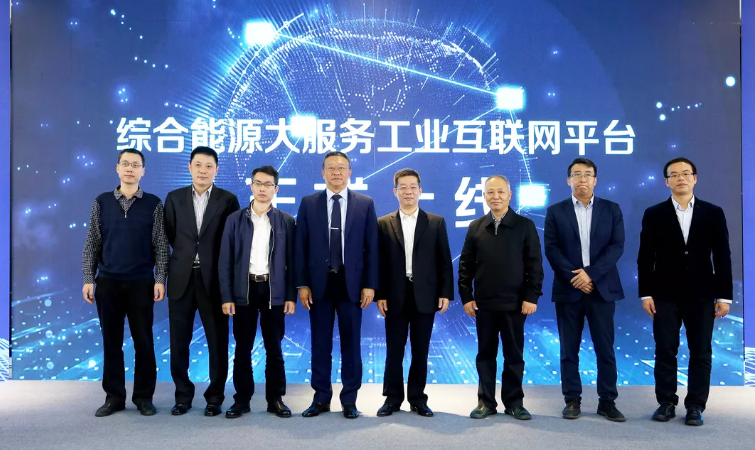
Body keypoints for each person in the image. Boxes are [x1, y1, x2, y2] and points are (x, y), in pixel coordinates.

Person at [638, 157, 732, 427]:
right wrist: (646, 293)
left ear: (695, 178)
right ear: (666, 182)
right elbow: (645, 257)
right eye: (674, 174)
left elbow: (722, 256)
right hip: (664, 294)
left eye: (686, 173)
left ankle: (696, 406)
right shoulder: (654, 213)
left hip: (702, 294)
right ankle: (666, 402)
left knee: (701, 351)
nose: (681, 178)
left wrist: (724, 296)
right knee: (665, 349)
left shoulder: (713, 212)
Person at [81, 148, 169, 417]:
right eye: (126, 164)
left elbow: (161, 245)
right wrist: (88, 278)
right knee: (111, 342)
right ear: (117, 168)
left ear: (143, 171)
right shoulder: (102, 202)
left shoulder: (153, 204)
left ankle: (144, 397)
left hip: (141, 282)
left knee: (144, 342)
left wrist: (160, 278)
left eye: (136, 165)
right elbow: (92, 243)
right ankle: (114, 397)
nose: (130, 169)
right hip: (108, 282)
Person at [294, 151, 379, 419]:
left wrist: (370, 285)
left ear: (350, 172)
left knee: (351, 345)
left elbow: (372, 248)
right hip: (318, 285)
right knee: (320, 344)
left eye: (341, 168)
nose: (336, 173)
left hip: (351, 285)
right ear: (323, 173)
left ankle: (349, 399)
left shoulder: (365, 203)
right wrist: (302, 284)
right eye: (331, 168)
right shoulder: (309, 203)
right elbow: (300, 246)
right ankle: (320, 398)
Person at [544, 158, 626, 422]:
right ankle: (572, 400)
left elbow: (616, 247)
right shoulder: (555, 211)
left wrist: (590, 274)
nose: (582, 179)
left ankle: (607, 401)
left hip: (602, 290)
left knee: (605, 349)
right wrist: (576, 277)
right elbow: (552, 249)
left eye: (587, 174)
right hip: (569, 290)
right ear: (568, 180)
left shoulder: (611, 209)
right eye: (576, 174)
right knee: (569, 350)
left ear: (595, 180)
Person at [458, 175, 543, 420]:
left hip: (515, 304)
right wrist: (466, 297)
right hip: (483, 304)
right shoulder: (476, 227)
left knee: (514, 355)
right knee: (485, 355)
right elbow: (465, 266)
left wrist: (531, 297)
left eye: (501, 192)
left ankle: (514, 403)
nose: (495, 196)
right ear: (484, 195)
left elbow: (535, 265)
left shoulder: (525, 226)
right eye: (490, 192)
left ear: (509, 195)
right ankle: (485, 402)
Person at [163, 146, 240, 417]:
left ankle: (215, 398)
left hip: (214, 281)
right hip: (181, 279)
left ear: (216, 170)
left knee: (217, 343)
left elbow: (231, 241)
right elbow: (171, 235)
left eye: (209, 166)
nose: (203, 171)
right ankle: (182, 396)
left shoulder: (228, 200)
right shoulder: (174, 198)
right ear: (189, 167)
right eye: (198, 165)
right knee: (179, 342)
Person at [218, 165, 296, 419]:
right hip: (245, 289)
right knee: (242, 348)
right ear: (251, 186)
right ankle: (241, 400)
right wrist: (227, 296)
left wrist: (291, 296)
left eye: (268, 184)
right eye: (258, 183)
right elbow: (225, 261)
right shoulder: (235, 219)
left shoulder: (285, 221)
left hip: (274, 290)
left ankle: (276, 399)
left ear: (276, 189)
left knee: (275, 348)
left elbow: (293, 262)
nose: (263, 189)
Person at [375, 168, 454, 418]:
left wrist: (445, 293)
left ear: (420, 190)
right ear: (395, 191)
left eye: (412, 187)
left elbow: (444, 260)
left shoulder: (435, 222)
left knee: (421, 351)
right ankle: (392, 398)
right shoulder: (383, 223)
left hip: (425, 295)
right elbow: (378, 262)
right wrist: (379, 294)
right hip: (394, 295)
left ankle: (418, 399)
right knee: (394, 351)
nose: (408, 192)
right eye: (403, 187)